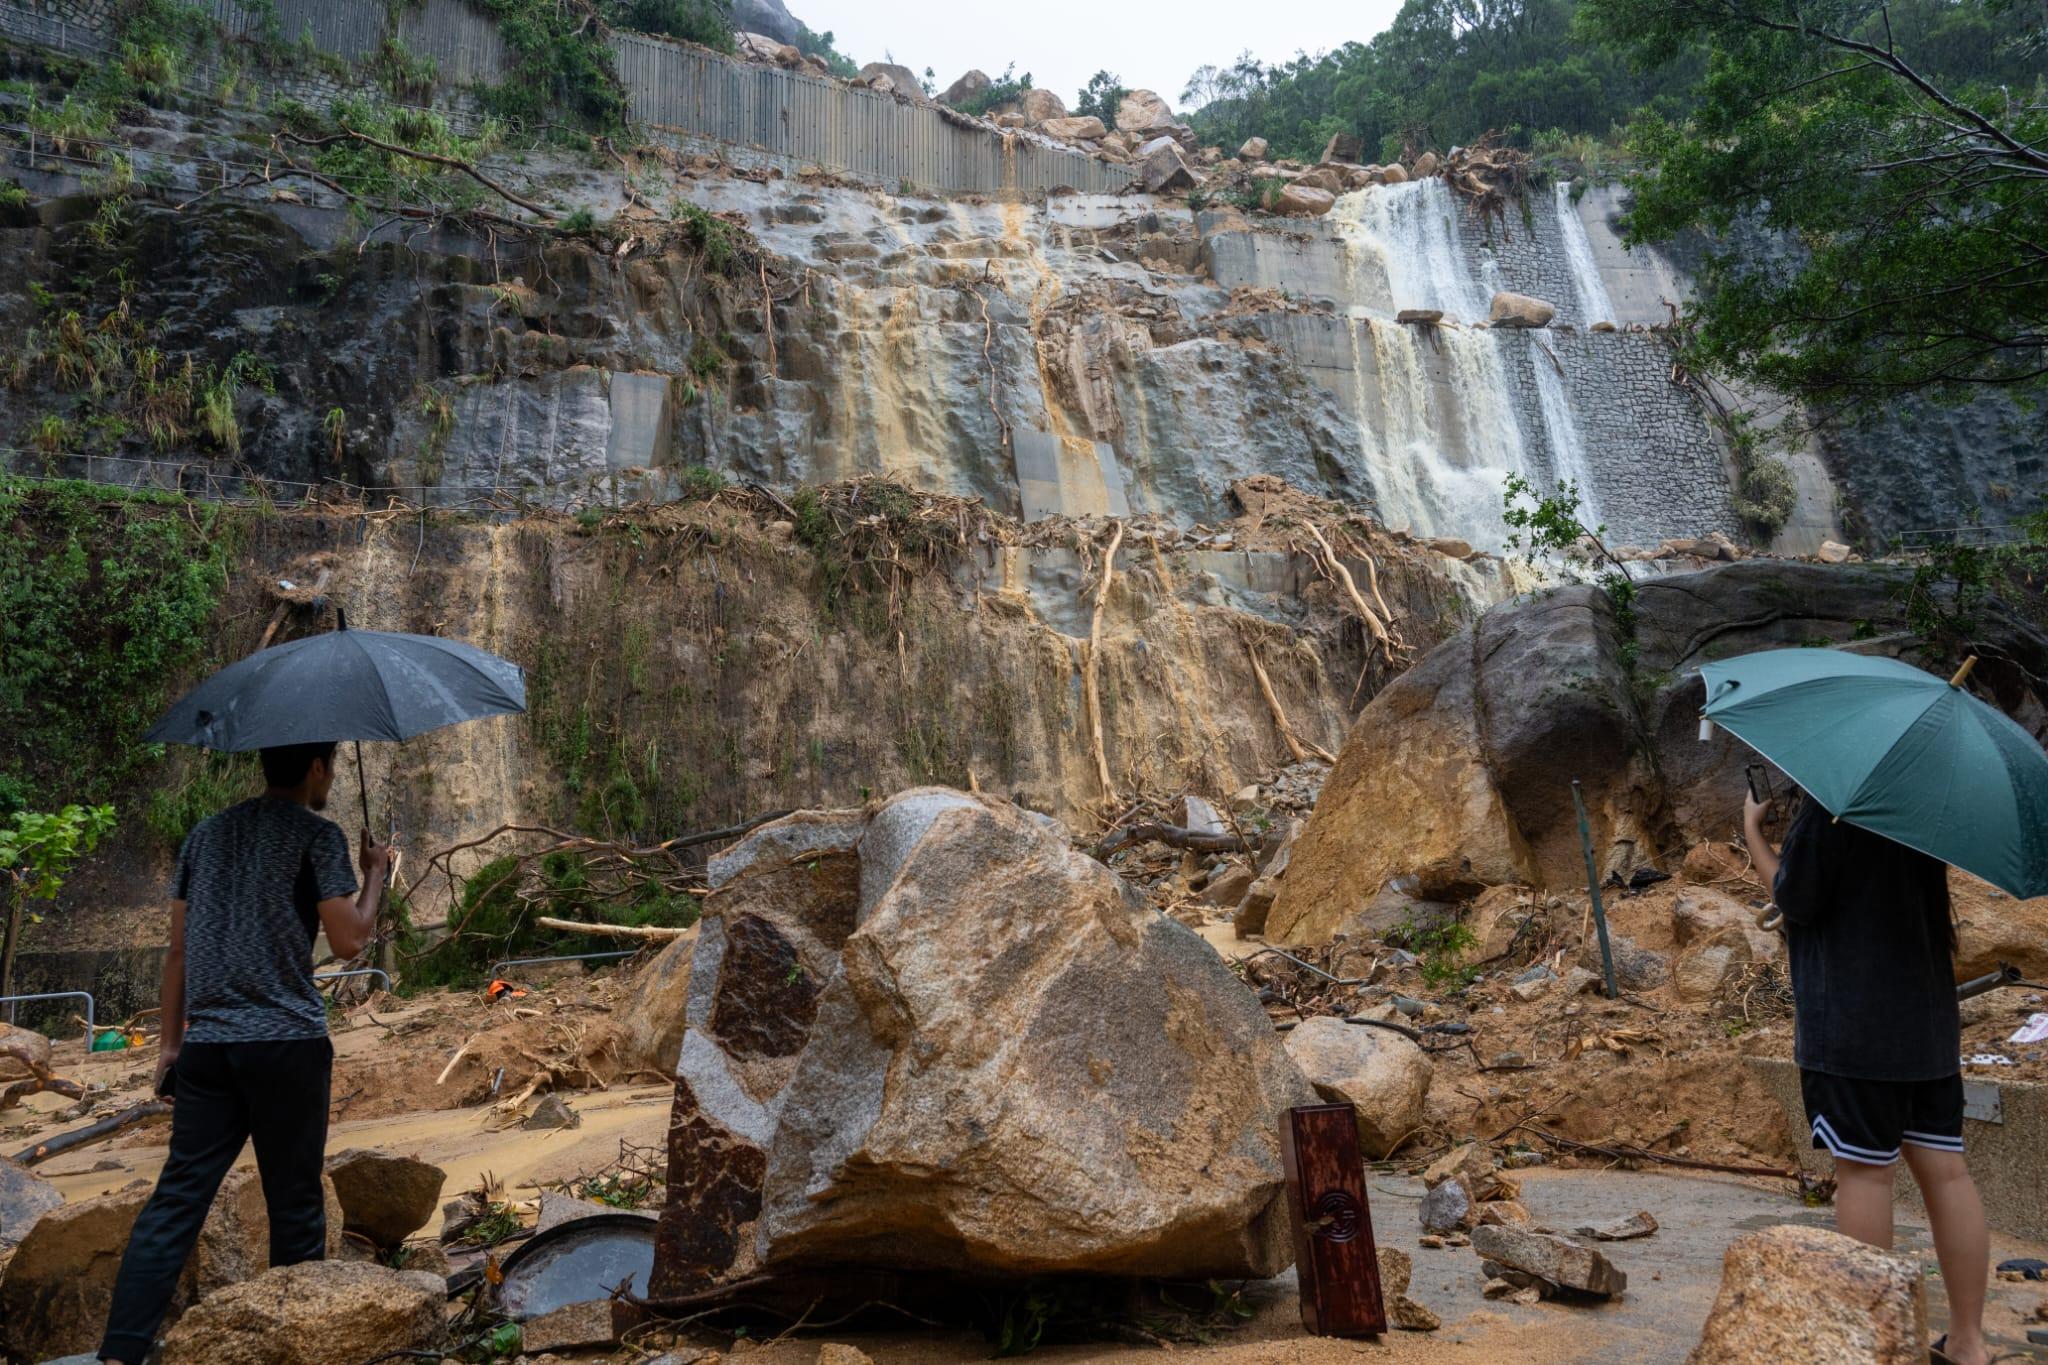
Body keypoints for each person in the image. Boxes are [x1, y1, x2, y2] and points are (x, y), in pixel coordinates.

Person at [98, 741, 389, 1365]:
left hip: (206, 1048)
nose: (331, 778)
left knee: (177, 1200)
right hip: (286, 1045)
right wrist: (376, 872)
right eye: (330, 768)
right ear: (316, 767)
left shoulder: (204, 837)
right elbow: (349, 940)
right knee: (295, 1206)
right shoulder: (315, 835)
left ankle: (119, 1353)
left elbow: (176, 952)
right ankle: (295, 1346)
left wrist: (171, 1046)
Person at [1744, 787, 1990, 1365]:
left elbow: (1794, 899)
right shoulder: (1920, 809)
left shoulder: (1833, 810)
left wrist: (1755, 832)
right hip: (1927, 1030)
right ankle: (1968, 1345)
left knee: (1865, 1178)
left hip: (1854, 1033)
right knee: (1948, 1175)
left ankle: (1874, 1350)